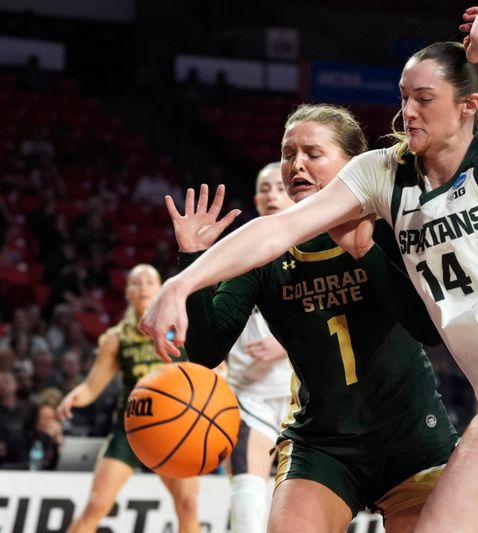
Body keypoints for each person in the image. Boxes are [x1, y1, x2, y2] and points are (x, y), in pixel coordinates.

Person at [140, 8, 478, 532]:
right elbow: (277, 230)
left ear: (468, 105)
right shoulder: (384, 173)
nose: (409, 111)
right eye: (404, 97)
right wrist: (184, 279)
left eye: (424, 99)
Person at [168, 104, 457, 532]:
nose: (296, 164)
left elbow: (430, 331)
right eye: (288, 154)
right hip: (322, 445)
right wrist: (193, 262)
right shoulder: (263, 250)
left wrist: (367, 252)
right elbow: (206, 353)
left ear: (353, 163)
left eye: (312, 153)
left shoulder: (391, 224)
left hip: (411, 437)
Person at [57, 264, 200, 533]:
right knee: (97, 505)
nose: (144, 286)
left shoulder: (181, 329)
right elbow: (91, 388)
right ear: (127, 292)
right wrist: (73, 398)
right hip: (130, 430)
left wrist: (222, 374)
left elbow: (208, 371)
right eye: (137, 282)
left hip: (173, 432)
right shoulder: (115, 338)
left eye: (150, 281)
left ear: (160, 289)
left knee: (188, 505)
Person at [199, 162, 294, 533]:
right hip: (247, 394)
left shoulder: (320, 246)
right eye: (265, 189)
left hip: (304, 395)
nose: (272, 195)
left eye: (279, 188)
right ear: (256, 198)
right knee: (248, 502)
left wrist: (285, 342)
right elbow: (213, 318)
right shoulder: (240, 249)